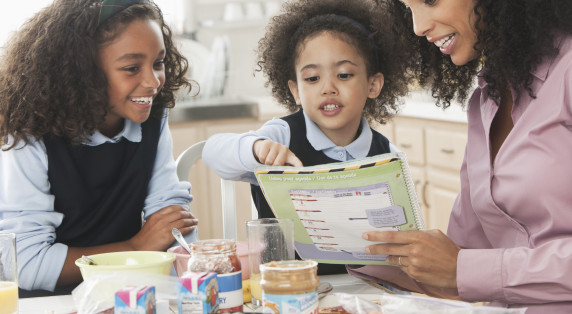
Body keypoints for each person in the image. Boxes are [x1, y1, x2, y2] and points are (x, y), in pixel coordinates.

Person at [349, 0, 572, 312]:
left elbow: (464, 268)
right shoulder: (487, 98)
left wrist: (463, 268)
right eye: (408, 8)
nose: (418, 27)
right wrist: (346, 245)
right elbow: (459, 258)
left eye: (429, 1)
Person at [0, 0, 199, 299]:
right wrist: (135, 248)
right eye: (131, 68)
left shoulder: (151, 117)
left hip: (112, 289)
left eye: (158, 63)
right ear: (82, 72)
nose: (153, 81)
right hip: (31, 298)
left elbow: (170, 222)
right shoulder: (30, 133)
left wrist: (190, 266)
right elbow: (24, 264)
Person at [202, 0, 417, 275]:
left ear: (373, 84)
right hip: (283, 287)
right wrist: (256, 149)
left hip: (365, 289)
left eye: (344, 74)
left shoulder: (387, 153)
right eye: (312, 78)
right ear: (295, 90)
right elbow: (213, 151)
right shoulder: (282, 135)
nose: (328, 88)